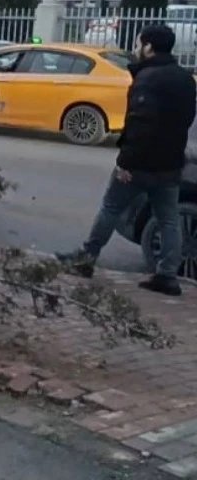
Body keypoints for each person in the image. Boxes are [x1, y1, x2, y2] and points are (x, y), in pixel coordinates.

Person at [59, 25, 197, 296]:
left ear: (149, 47)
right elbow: (187, 119)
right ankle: (167, 275)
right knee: (169, 220)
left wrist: (125, 162)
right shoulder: (186, 79)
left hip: (140, 163)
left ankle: (86, 259)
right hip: (171, 163)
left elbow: (139, 124)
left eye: (138, 44)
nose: (135, 49)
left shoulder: (147, 79)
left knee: (111, 207)